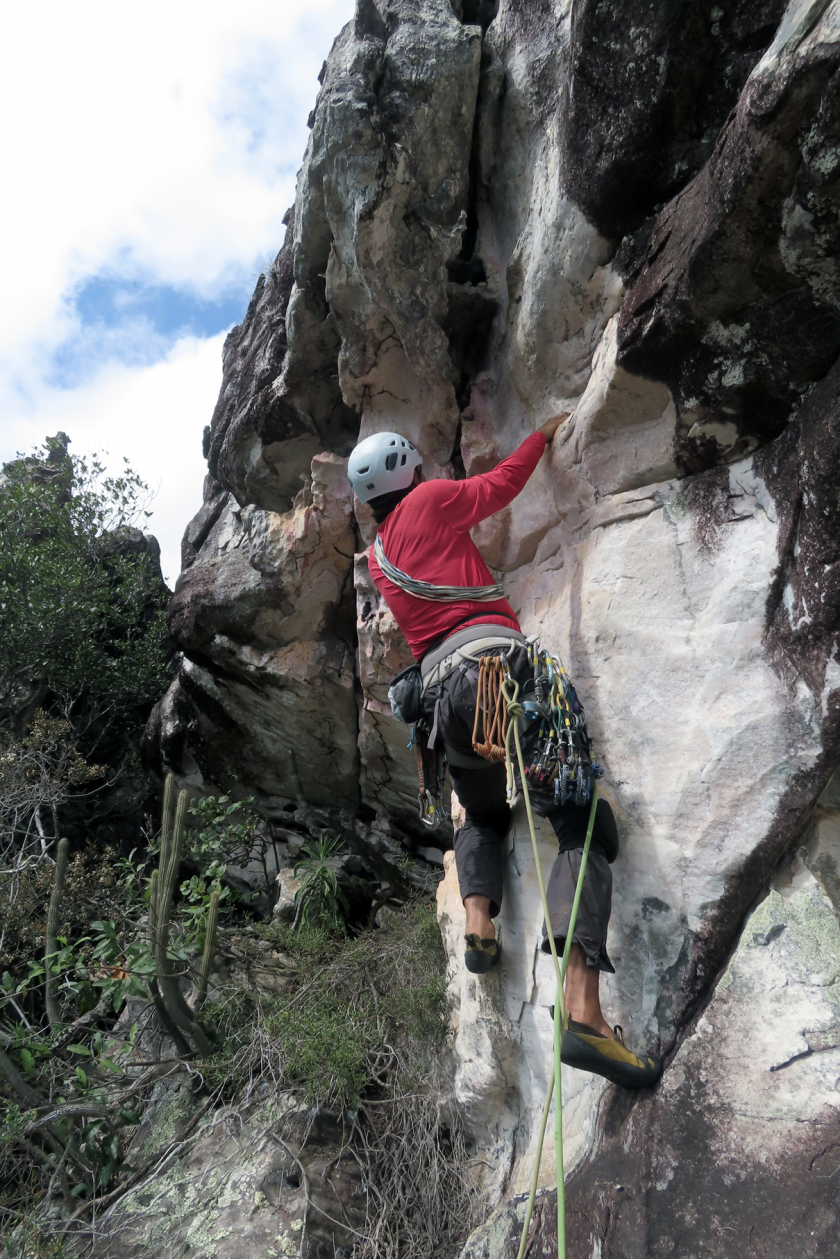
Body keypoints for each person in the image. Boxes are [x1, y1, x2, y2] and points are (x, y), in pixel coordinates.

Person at [347, 421, 661, 1088]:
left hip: (445, 707)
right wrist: (539, 437)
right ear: (407, 471)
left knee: (485, 814)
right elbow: (502, 487)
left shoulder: (377, 555)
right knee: (581, 822)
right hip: (495, 675)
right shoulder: (428, 502)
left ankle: (481, 919)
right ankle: (584, 1014)